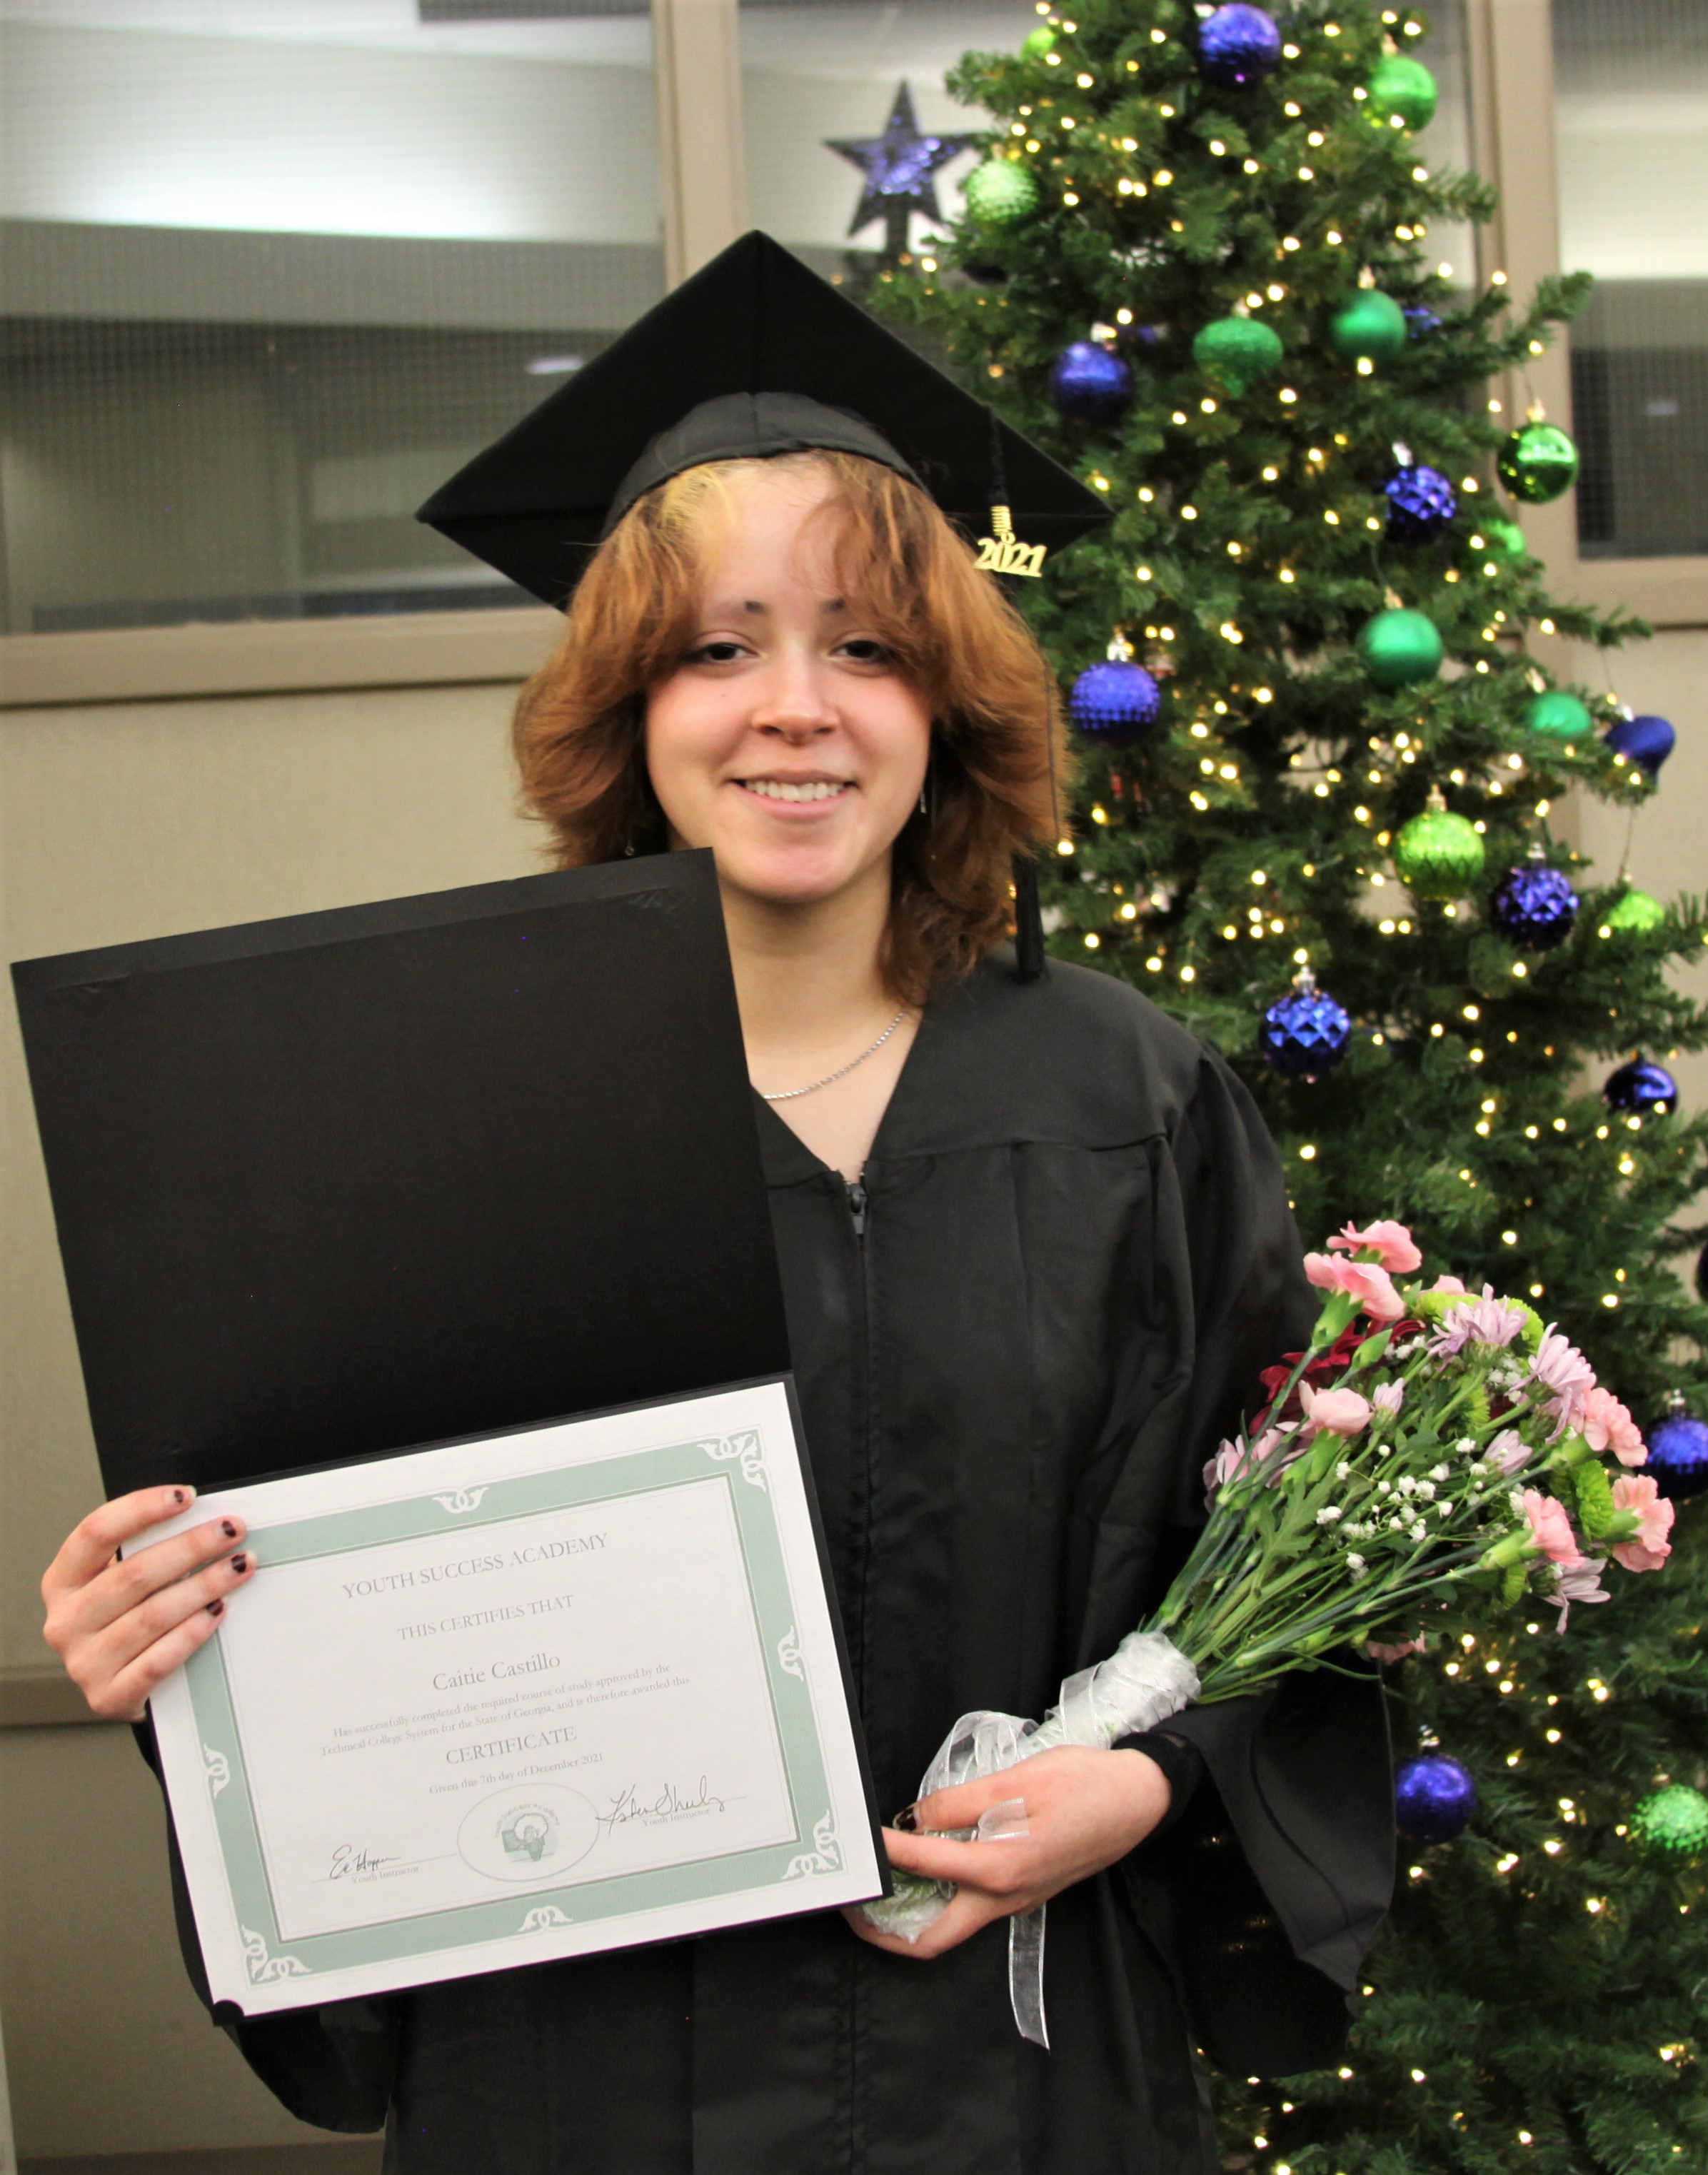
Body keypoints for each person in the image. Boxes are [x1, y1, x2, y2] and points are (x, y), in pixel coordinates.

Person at [39, 233, 1392, 2174]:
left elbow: (1284, 1558)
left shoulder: (1127, 1100)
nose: (794, 709)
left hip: (1016, 2077)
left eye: (864, 645)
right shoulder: (446, 1117)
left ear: (944, 700)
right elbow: (347, 1608)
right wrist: (176, 1641)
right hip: (580, 2078)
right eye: (715, 647)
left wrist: (1152, 1792)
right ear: (625, 702)